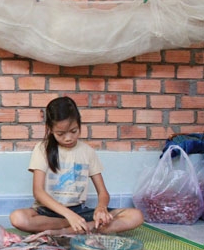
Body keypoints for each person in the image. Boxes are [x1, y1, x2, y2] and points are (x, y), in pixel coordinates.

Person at [9, 96, 143, 235]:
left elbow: (103, 192)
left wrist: (101, 208)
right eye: (60, 134)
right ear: (50, 129)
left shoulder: (88, 152)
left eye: (73, 131)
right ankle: (74, 227)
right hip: (48, 213)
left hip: (79, 211)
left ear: (79, 124)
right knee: (18, 218)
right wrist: (69, 216)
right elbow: (38, 192)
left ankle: (65, 231)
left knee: (135, 216)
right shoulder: (42, 149)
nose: (68, 138)